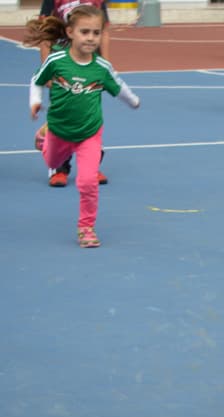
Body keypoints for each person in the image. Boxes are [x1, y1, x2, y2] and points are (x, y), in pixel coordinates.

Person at [26, 4, 140, 247]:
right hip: (59, 130)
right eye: (85, 32)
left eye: (96, 33)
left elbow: (118, 88)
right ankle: (44, 137)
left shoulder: (101, 67)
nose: (91, 38)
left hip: (89, 132)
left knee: (87, 181)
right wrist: (36, 102)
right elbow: (37, 80)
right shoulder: (57, 60)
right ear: (70, 33)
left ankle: (86, 227)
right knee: (52, 163)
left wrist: (133, 101)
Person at [37, 0, 112, 187]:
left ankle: (91, 166)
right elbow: (45, 32)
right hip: (63, 66)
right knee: (64, 112)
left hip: (89, 66)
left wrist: (106, 66)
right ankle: (59, 168)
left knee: (89, 113)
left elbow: (104, 32)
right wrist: (47, 67)